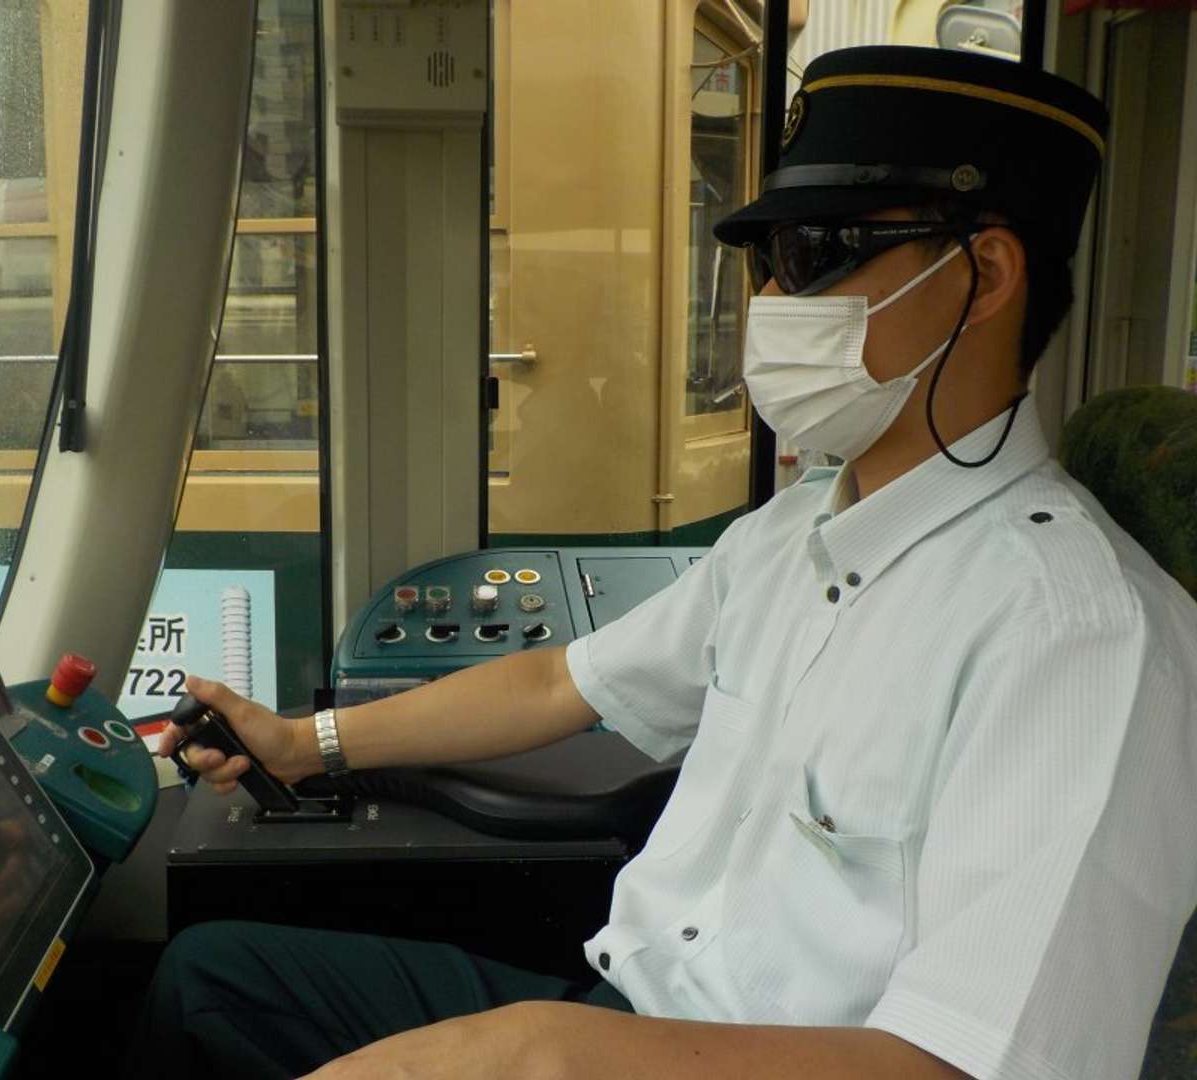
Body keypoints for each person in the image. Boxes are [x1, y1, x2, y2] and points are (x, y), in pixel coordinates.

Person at [129, 46, 1197, 1080]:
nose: (773, 303)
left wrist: (542, 1055)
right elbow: (558, 683)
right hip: (630, 1011)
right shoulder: (788, 536)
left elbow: (968, 1067)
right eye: (766, 264)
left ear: (985, 275)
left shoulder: (1084, 641)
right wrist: (304, 745)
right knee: (209, 982)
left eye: (815, 253)